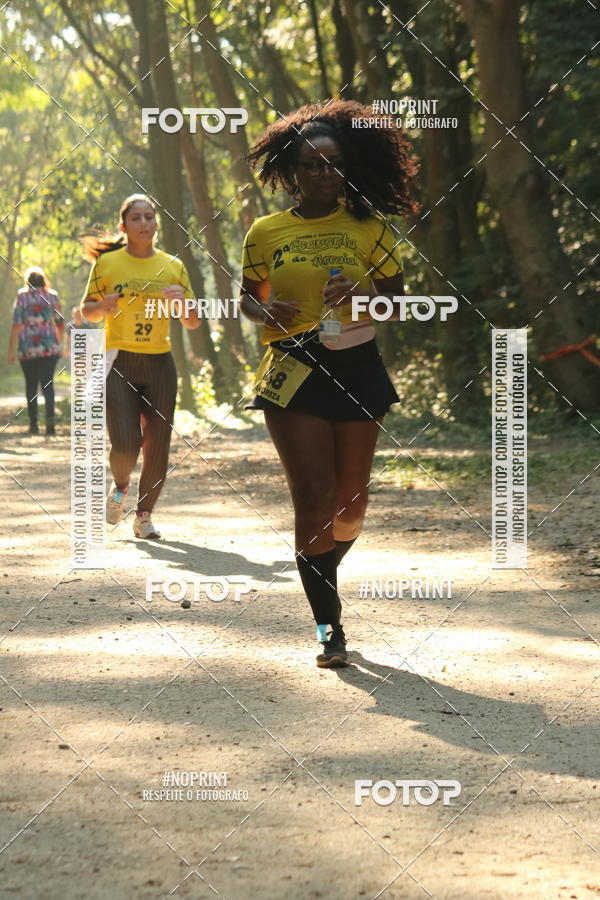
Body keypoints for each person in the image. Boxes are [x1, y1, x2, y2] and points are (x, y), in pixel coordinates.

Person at [240, 101, 418, 668]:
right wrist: (266, 309)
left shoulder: (371, 228)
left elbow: (397, 301)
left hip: (357, 363)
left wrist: (358, 298)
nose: (324, 174)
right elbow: (249, 298)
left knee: (351, 504)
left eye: (334, 164)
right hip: (294, 367)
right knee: (313, 501)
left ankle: (320, 570)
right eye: (312, 165)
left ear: (348, 168)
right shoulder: (265, 231)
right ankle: (328, 626)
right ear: (292, 172)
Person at [80, 193, 199, 539]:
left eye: (150, 217)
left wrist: (182, 306)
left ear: (156, 224)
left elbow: (192, 323)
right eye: (137, 218)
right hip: (120, 362)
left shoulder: (173, 266)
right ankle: (120, 487)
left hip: (160, 363)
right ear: (124, 226)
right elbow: (87, 311)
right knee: (127, 443)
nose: (144, 223)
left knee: (158, 443)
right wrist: (102, 305)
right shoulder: (107, 265)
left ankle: (144, 516)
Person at [8, 266, 63, 436]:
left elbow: (16, 324)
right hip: (48, 348)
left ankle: (33, 425)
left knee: (31, 385)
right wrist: (57, 341)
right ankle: (50, 425)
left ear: (27, 281)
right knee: (48, 385)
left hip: (27, 348)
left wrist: (11, 349)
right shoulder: (52, 296)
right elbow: (60, 323)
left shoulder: (22, 296)